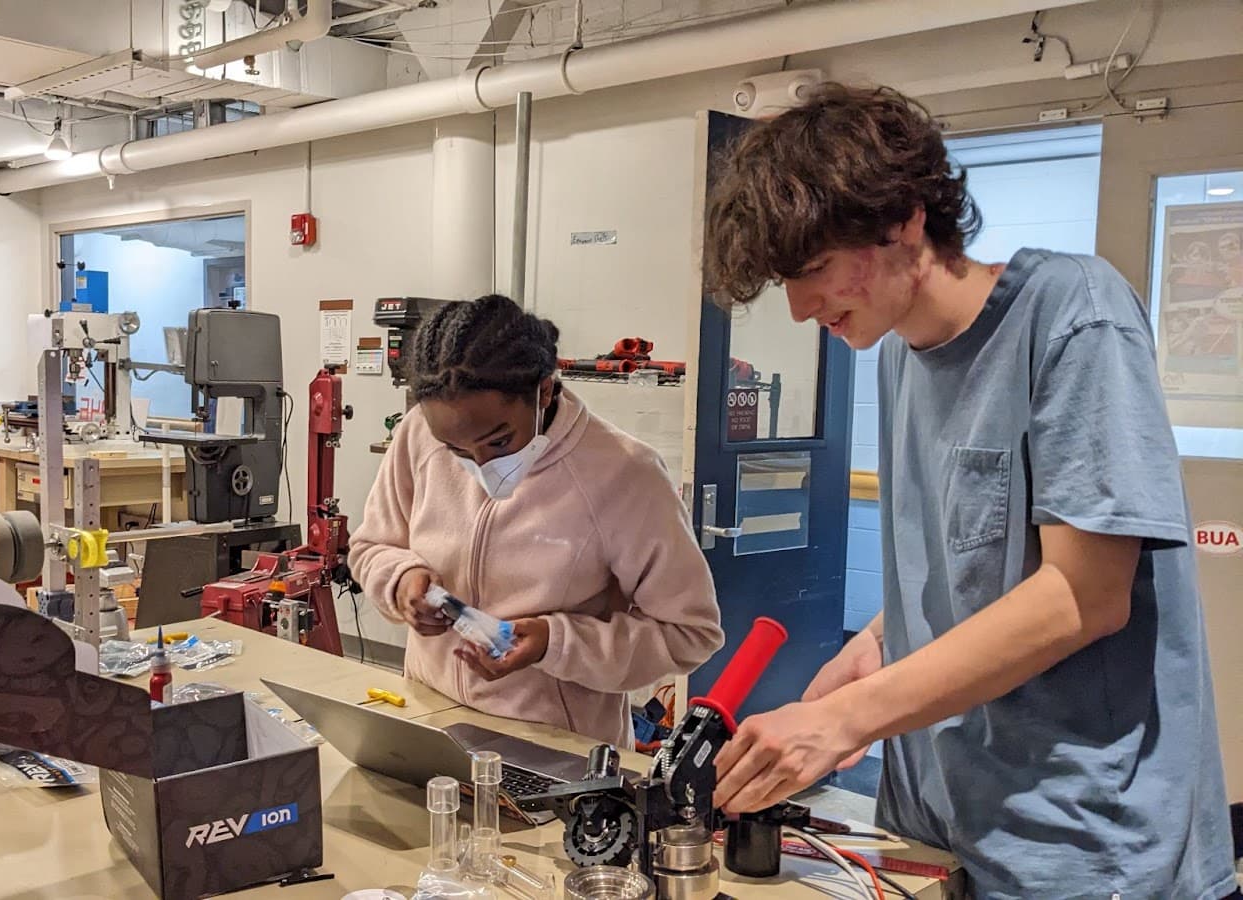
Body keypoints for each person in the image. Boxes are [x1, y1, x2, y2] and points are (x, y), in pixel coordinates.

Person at [699, 82, 1237, 900]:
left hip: (1080, 849)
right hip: (938, 831)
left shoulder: (1074, 313)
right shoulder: (896, 357)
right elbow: (972, 559)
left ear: (906, 216)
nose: (805, 307)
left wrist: (850, 717)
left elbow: (1083, 596)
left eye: (813, 270)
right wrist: (878, 643)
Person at [349, 294, 724, 748]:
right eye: (457, 450)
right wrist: (401, 581)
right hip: (433, 721)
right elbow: (371, 547)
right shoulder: (418, 435)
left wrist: (556, 643)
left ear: (543, 391)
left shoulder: (625, 474)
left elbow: (690, 633)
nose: (480, 465)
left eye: (499, 441)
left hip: (556, 748)